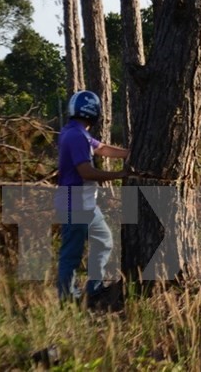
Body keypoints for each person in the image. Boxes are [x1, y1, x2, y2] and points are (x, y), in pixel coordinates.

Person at [55, 90, 131, 305]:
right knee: (72, 253)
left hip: (86, 204)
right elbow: (86, 172)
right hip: (75, 204)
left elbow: (102, 148)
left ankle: (94, 288)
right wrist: (118, 175)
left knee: (103, 240)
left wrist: (128, 153)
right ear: (94, 113)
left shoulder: (76, 132)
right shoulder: (76, 136)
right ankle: (67, 298)